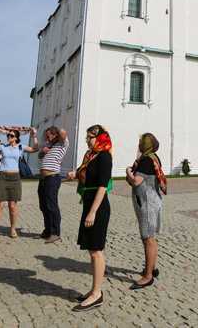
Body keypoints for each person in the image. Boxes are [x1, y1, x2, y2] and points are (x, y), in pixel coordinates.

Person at [68, 124, 113, 312]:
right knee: (92, 249)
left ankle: (97, 295)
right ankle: (94, 290)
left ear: (100, 138)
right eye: (86, 137)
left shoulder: (104, 156)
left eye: (90, 137)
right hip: (89, 203)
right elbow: (86, 173)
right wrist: (76, 174)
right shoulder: (91, 156)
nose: (87, 140)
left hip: (98, 206)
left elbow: (103, 185)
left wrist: (93, 211)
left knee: (97, 250)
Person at [0, 127, 40, 243]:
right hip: (3, 177)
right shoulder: (2, 147)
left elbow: (35, 149)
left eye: (11, 136)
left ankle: (13, 229)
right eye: (8, 135)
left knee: (12, 206)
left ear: (16, 138)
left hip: (15, 178)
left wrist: (34, 136)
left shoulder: (20, 147)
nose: (9, 137)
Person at [125, 133, 167, 290]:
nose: (139, 144)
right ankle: (153, 267)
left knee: (148, 238)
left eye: (141, 142)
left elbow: (136, 180)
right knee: (149, 237)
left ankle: (148, 276)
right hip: (149, 201)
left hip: (147, 203)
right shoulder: (153, 158)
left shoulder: (147, 160)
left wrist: (128, 172)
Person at [35, 126, 68, 244]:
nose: (47, 138)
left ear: (55, 135)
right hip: (43, 179)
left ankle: (55, 233)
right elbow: (39, 156)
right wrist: (42, 151)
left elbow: (63, 132)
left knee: (52, 206)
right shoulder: (49, 145)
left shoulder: (62, 144)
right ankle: (47, 231)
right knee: (43, 206)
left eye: (48, 136)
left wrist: (57, 132)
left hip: (52, 178)